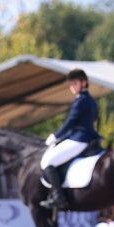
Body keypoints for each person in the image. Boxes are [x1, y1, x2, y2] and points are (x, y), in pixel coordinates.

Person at [39, 68, 101, 209]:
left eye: (74, 83)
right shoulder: (91, 100)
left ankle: (58, 197)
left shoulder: (80, 101)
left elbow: (71, 122)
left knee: (47, 162)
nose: (72, 87)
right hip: (85, 137)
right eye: (71, 84)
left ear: (83, 82)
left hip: (79, 139)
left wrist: (56, 135)